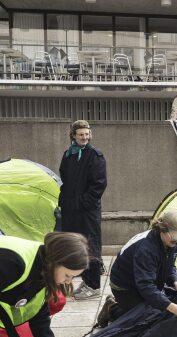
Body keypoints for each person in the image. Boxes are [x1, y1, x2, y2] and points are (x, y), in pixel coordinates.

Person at [97, 211, 177, 327]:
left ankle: (128, 307)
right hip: (124, 286)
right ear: (162, 229)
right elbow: (145, 286)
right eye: (174, 236)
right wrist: (172, 307)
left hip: (141, 279)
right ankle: (111, 309)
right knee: (147, 318)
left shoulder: (172, 242)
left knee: (159, 309)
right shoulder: (146, 249)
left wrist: (175, 281)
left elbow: (169, 264)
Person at [58, 120, 107, 300]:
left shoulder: (95, 155)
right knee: (75, 246)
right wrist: (65, 201)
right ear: (73, 135)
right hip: (71, 210)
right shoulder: (68, 154)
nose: (85, 137)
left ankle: (93, 285)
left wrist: (83, 202)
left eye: (87, 134)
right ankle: (84, 281)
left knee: (90, 245)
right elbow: (65, 178)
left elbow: (99, 185)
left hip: (87, 211)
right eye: (81, 134)